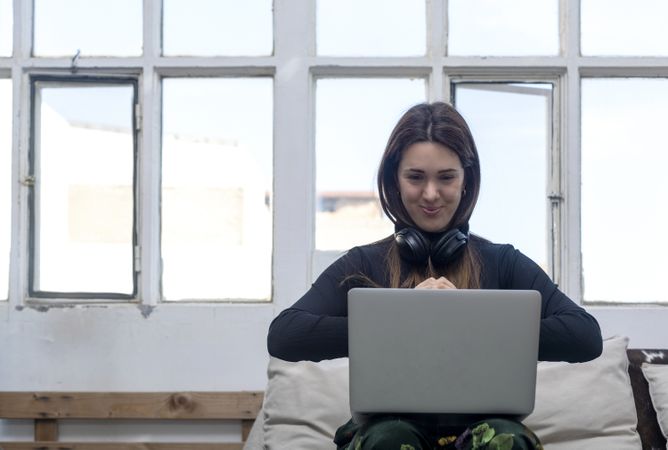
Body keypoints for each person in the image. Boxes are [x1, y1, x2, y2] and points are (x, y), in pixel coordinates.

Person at [267, 101, 603, 450]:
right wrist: (403, 317)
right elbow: (285, 335)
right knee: (389, 439)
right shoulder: (363, 263)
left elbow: (585, 336)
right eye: (415, 177)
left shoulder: (502, 262)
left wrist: (464, 317)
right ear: (395, 180)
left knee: (506, 440)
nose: (430, 194)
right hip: (386, 433)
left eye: (446, 177)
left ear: (466, 181)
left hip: (481, 433)